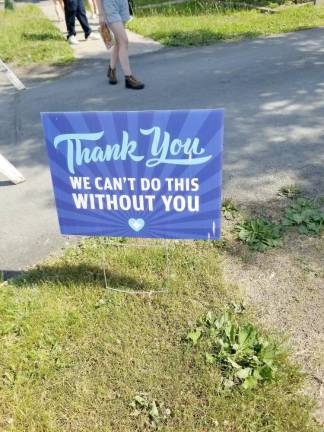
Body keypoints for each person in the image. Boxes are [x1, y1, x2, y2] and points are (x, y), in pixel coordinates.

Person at [98, 0, 144, 90]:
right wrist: (101, 14)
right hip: (109, 5)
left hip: (123, 3)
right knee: (124, 41)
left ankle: (112, 70)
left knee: (119, 41)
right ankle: (128, 77)